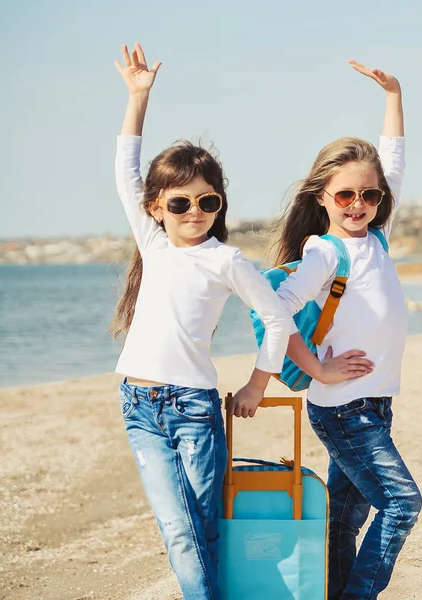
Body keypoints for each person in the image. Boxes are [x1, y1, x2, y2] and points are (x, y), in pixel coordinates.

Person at [229, 60, 422, 600]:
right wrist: (315, 367)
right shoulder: (325, 252)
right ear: (322, 198)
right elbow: (277, 311)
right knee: (403, 503)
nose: (359, 205)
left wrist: (394, 96)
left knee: (343, 519)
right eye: (345, 196)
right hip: (345, 409)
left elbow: (396, 165)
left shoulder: (376, 238)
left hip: (374, 404)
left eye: (369, 195)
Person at [111, 42, 293, 600]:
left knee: (201, 532)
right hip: (139, 408)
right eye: (180, 203)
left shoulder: (225, 260)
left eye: (207, 202)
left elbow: (276, 318)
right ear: (155, 207)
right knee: (179, 532)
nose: (194, 213)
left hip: (194, 409)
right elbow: (126, 169)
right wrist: (138, 99)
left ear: (220, 205)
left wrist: (258, 384)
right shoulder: (152, 242)